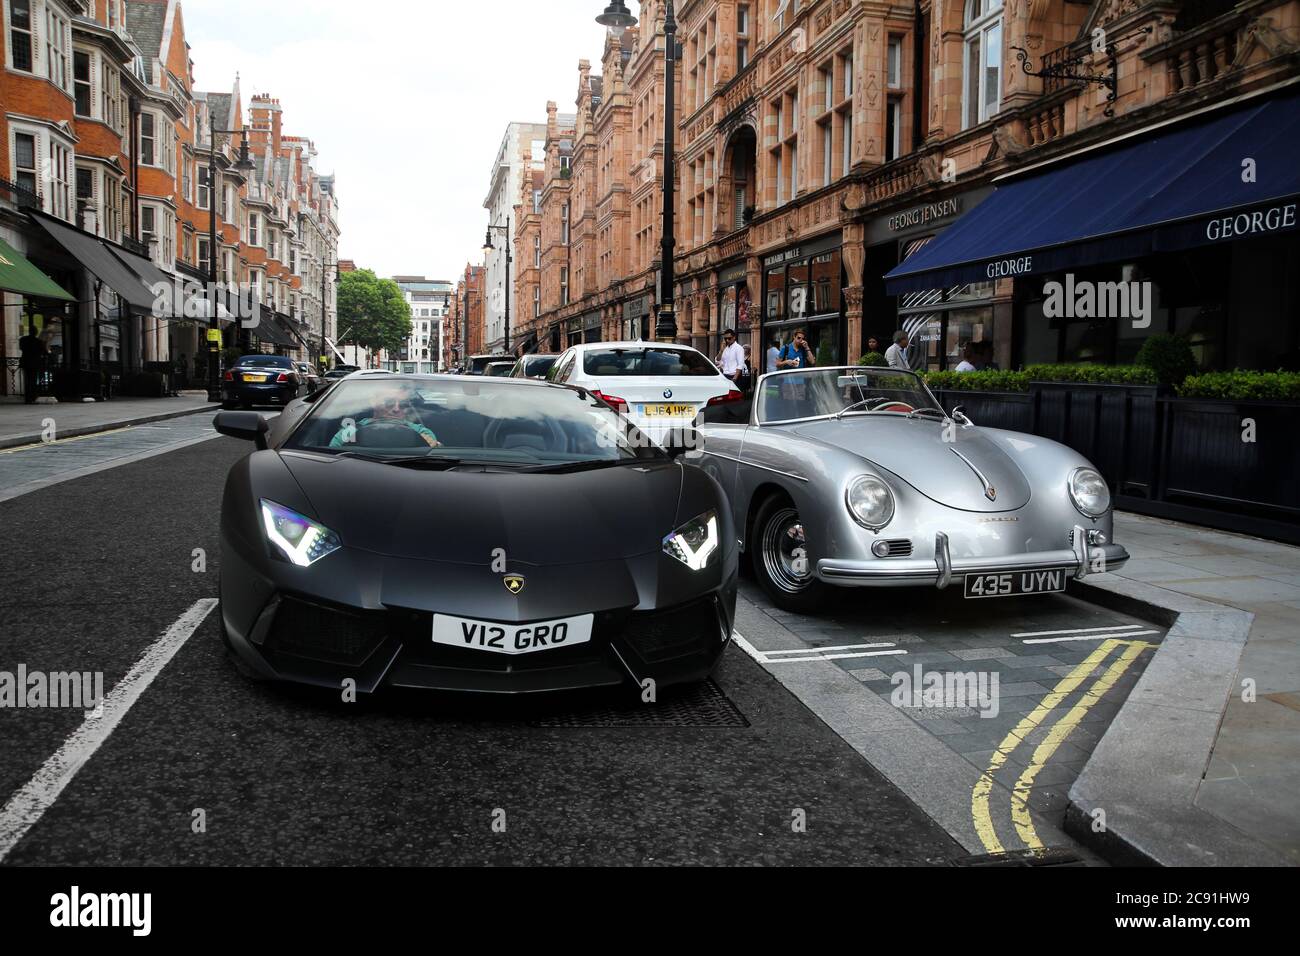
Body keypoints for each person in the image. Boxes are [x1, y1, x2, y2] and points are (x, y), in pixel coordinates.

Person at [330, 382, 441, 449]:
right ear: (374, 402)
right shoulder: (349, 433)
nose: (396, 409)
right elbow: (331, 460)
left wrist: (437, 447)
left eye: (402, 404)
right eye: (389, 403)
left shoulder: (423, 433)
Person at [18, 330, 47, 405]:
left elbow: (21, 348)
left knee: (27, 381)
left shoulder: (23, 339)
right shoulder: (38, 341)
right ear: (36, 333)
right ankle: (32, 398)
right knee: (33, 381)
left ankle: (28, 399)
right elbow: (43, 351)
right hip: (34, 363)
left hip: (26, 362)